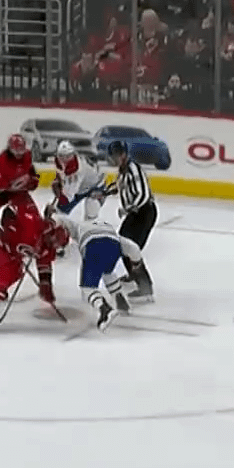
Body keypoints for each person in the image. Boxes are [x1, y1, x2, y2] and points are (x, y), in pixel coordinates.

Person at [0, 197, 68, 332]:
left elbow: (44, 265)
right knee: (8, 272)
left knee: (16, 272)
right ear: (50, 233)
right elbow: (11, 209)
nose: (51, 247)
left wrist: (45, 285)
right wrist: (9, 226)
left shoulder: (48, 247)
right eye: (52, 242)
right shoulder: (32, 225)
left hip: (10, 255)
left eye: (56, 246)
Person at [55, 211, 140, 330]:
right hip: (113, 246)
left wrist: (51, 217)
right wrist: (136, 262)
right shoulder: (106, 227)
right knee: (107, 271)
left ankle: (104, 309)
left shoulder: (79, 226)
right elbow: (132, 247)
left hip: (93, 245)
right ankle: (119, 298)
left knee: (87, 288)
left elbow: (62, 221)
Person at [103, 140, 157, 299]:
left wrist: (128, 208)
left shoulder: (134, 169)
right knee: (122, 245)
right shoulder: (123, 171)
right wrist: (104, 193)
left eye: (116, 155)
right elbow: (121, 187)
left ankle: (145, 288)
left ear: (124, 154)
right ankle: (134, 275)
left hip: (144, 212)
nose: (114, 159)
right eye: (113, 156)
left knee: (131, 248)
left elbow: (143, 195)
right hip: (135, 214)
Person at [49, 141, 106, 219]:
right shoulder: (60, 163)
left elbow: (67, 198)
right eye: (61, 156)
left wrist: (57, 192)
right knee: (58, 215)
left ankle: (91, 225)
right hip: (80, 187)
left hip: (97, 185)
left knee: (92, 206)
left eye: (68, 156)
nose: (64, 160)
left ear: (73, 155)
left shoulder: (77, 170)